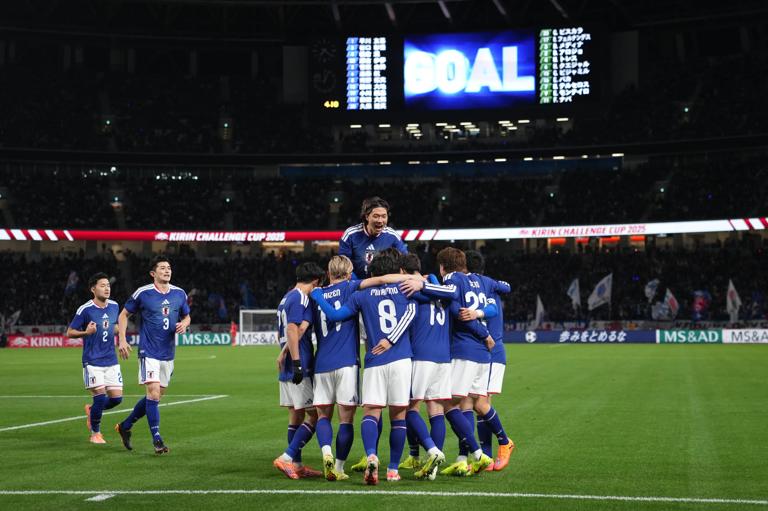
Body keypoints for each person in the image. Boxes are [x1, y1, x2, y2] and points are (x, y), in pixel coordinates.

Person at [312, 251, 416, 484]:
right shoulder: (402, 288)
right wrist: (419, 280)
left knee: (370, 413)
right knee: (398, 417)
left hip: (369, 361)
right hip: (398, 358)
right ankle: (392, 470)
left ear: (328, 273)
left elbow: (337, 314)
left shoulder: (360, 296)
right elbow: (411, 311)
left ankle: (370, 455)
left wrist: (317, 295)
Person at [114, 256, 191, 454]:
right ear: (153, 273)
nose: (167, 270)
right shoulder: (143, 293)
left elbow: (187, 315)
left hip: (168, 352)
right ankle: (157, 439)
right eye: (163, 268)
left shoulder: (179, 293)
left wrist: (185, 323)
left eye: (169, 267)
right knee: (153, 393)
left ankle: (125, 425)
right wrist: (122, 340)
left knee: (155, 398)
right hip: (148, 351)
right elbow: (124, 315)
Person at [273, 262, 326, 480]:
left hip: (289, 362)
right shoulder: (301, 298)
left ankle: (296, 464)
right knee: (316, 415)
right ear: (315, 282)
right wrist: (296, 362)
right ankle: (287, 457)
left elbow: (295, 330)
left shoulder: (286, 297)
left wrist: (283, 353)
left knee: (296, 414)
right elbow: (294, 329)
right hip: (300, 363)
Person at [463, 250, 515, 471]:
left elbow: (507, 287)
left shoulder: (484, 289)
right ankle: (486, 456)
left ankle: (505, 443)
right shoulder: (490, 287)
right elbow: (507, 286)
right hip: (483, 353)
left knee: (480, 404)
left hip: (491, 353)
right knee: (477, 405)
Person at [66, 272, 122, 444]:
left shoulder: (114, 305)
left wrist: (121, 335)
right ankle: (95, 433)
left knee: (116, 399)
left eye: (108, 285)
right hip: (93, 360)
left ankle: (91, 410)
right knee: (99, 396)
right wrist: (86, 332)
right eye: (102, 285)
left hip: (111, 360)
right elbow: (70, 332)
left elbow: (116, 326)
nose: (107, 288)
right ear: (93, 289)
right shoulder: (85, 309)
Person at [339, 197, 407, 278]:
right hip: (358, 286)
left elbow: (406, 263)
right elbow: (343, 267)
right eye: (376, 216)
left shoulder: (393, 236)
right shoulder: (350, 235)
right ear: (367, 216)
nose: (380, 220)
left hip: (384, 286)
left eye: (384, 216)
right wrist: (358, 284)